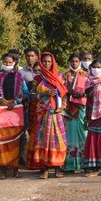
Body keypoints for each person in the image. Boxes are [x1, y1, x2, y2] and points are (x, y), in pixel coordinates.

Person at [0, 52, 29, 179]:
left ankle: (15, 170)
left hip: (15, 110)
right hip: (0, 110)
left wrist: (16, 101)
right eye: (5, 62)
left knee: (15, 140)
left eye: (9, 62)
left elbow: (26, 93)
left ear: (14, 63)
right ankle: (3, 171)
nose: (7, 64)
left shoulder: (19, 77)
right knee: (1, 141)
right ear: (2, 62)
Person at [27, 51, 68, 179]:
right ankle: (44, 169)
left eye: (49, 61)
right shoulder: (38, 78)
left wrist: (63, 106)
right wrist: (45, 93)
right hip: (43, 113)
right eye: (44, 61)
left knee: (57, 141)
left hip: (56, 113)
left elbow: (64, 94)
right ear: (40, 62)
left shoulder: (60, 77)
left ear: (53, 62)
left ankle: (57, 168)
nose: (47, 63)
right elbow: (33, 96)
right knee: (43, 141)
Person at [62, 53, 87, 173]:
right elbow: (62, 91)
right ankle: (70, 164)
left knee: (83, 134)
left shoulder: (86, 74)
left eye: (77, 61)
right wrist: (70, 92)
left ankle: (84, 163)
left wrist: (81, 94)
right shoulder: (65, 76)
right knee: (70, 135)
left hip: (82, 108)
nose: (74, 63)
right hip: (69, 109)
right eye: (72, 61)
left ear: (80, 62)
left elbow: (89, 90)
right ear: (69, 62)